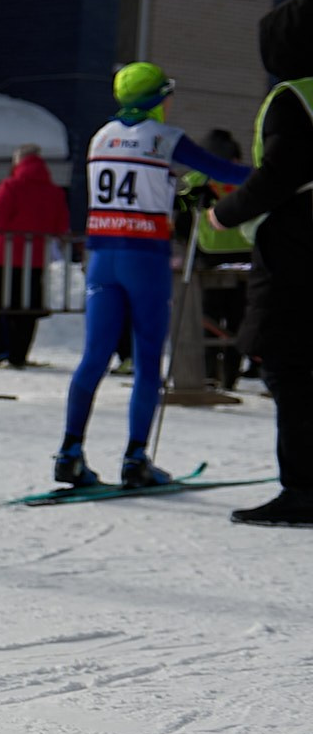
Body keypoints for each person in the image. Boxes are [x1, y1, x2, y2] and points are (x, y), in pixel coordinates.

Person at [54, 64, 249, 487]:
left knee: (94, 357)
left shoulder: (100, 136)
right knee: (146, 361)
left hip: (103, 254)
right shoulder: (165, 138)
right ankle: (135, 458)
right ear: (158, 98)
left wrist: (175, 193)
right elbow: (227, 173)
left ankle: (69, 450)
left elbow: (143, 181)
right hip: (145, 256)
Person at [199, 0, 313, 525]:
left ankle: (302, 490)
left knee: (288, 366)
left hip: (297, 248)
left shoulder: (293, 98)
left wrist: (223, 213)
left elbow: (280, 173)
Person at [0, 143, 69, 369]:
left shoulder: (11, 186)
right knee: (26, 308)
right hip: (35, 258)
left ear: (18, 161)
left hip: (4, 256)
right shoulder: (55, 191)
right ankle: (18, 355)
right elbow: (61, 226)